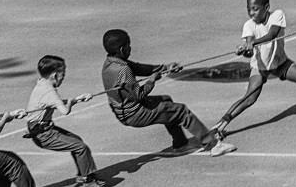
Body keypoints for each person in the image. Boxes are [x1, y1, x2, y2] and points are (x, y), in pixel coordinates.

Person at [210, 0, 296, 151]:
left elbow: (272, 34)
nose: (251, 13)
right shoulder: (248, 25)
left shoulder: (277, 15)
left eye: (255, 9)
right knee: (249, 98)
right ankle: (218, 127)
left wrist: (253, 42)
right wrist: (245, 49)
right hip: (260, 68)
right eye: (249, 9)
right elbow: (249, 53)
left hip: (281, 64)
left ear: (266, 7)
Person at [100, 29, 236, 156]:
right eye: (129, 45)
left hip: (126, 110)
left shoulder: (111, 63)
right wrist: (151, 81)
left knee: (166, 100)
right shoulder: (123, 70)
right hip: (134, 113)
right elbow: (138, 95)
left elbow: (140, 68)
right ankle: (212, 144)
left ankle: (180, 145)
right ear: (122, 49)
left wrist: (165, 68)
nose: (131, 48)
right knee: (181, 110)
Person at [26, 56, 112, 187]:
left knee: (77, 140)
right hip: (43, 133)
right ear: (54, 75)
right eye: (63, 74)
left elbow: (54, 102)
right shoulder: (49, 91)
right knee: (80, 147)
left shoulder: (42, 84)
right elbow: (65, 110)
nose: (64, 77)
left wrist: (78, 99)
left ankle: (82, 173)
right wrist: (71, 103)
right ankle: (89, 184)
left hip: (42, 128)